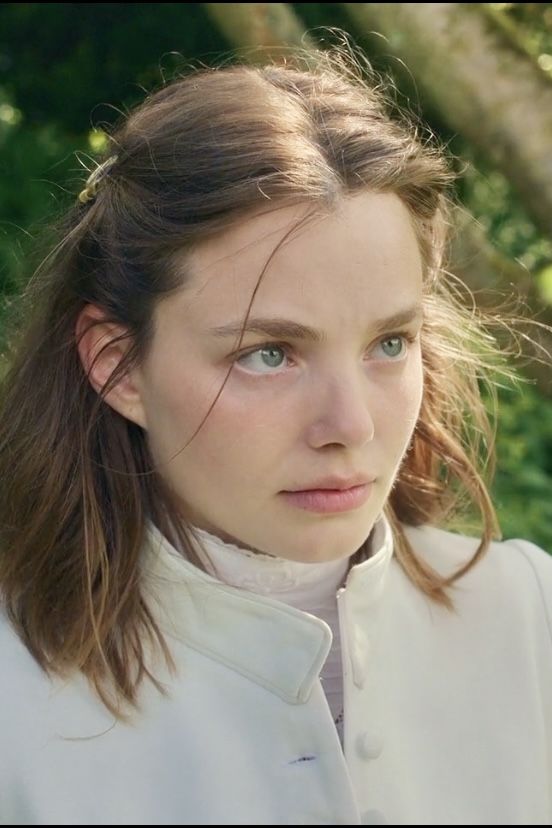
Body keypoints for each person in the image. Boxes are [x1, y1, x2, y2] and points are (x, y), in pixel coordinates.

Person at [0, 43, 551, 827]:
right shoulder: (13, 694)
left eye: (389, 344)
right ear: (119, 367)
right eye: (268, 355)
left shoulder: (530, 616)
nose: (350, 426)